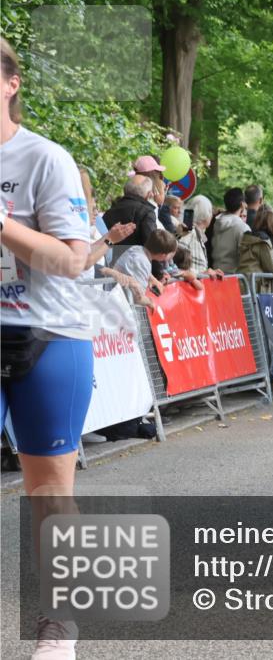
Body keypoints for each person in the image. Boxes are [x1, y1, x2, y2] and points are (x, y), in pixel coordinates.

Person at [0, 37, 99, 657]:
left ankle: (59, 621)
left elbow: (73, 259)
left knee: (48, 490)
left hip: (45, 334)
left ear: (10, 84)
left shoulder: (44, 159)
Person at [101, 175, 159, 264]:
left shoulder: (109, 212)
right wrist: (159, 274)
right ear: (149, 194)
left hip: (109, 267)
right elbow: (152, 246)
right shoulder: (146, 212)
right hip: (136, 268)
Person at [237, 204, 273, 288]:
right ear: (272, 224)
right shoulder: (263, 241)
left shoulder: (250, 237)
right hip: (255, 287)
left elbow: (270, 258)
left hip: (245, 283)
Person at [210, 187, 251, 273]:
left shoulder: (215, 223)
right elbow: (247, 257)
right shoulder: (242, 227)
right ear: (242, 204)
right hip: (233, 277)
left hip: (214, 275)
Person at [179, 195, 212, 273]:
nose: (212, 215)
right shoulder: (191, 233)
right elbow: (180, 263)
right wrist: (204, 273)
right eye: (210, 211)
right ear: (206, 214)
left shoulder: (194, 233)